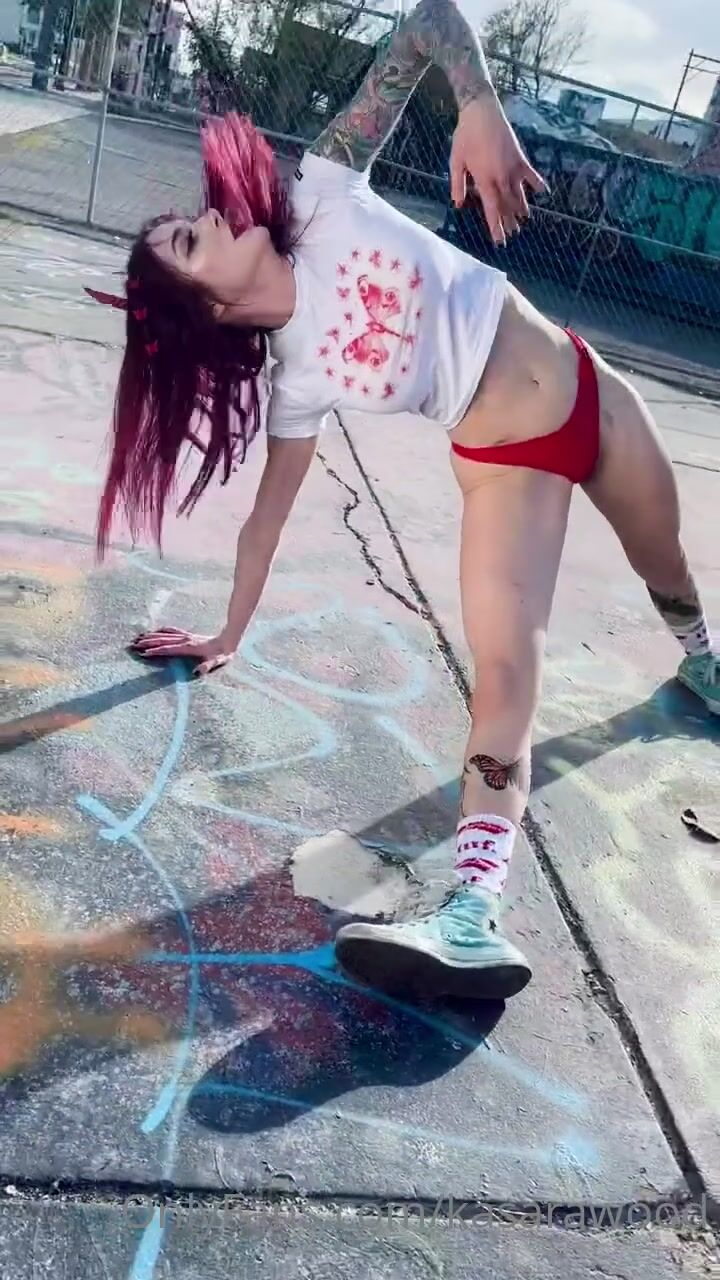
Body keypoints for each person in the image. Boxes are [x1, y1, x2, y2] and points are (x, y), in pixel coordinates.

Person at [86, 0, 718, 1003]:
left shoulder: (325, 191)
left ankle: (702, 660)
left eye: (187, 222)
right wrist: (226, 632)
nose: (202, 219)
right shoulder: (296, 380)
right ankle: (472, 914)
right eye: (188, 245)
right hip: (507, 462)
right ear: (210, 308)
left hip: (592, 394)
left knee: (666, 566)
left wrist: (479, 106)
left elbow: (428, 18)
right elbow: (265, 522)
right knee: (506, 671)